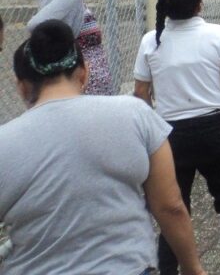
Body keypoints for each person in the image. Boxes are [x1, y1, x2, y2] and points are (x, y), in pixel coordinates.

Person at [0, 20, 207, 274]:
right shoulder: (135, 114)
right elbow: (170, 206)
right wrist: (192, 268)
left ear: (20, 86)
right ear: (84, 73)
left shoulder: (4, 142)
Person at [133, 0, 220, 275]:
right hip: (215, 126)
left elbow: (140, 92)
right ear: (199, 5)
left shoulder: (152, 40)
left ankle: (168, 269)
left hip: (170, 135)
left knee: (173, 206)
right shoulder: (217, 33)